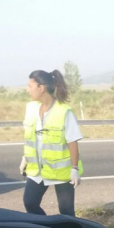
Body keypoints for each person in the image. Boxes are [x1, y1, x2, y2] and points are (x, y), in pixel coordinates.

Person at [20, 69, 83, 217]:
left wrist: (74, 168)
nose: (27, 90)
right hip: (37, 169)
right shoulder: (31, 108)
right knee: (30, 202)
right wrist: (25, 158)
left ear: (41, 88)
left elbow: (72, 142)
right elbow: (31, 137)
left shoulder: (64, 111)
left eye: (30, 86)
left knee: (66, 211)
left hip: (61, 171)